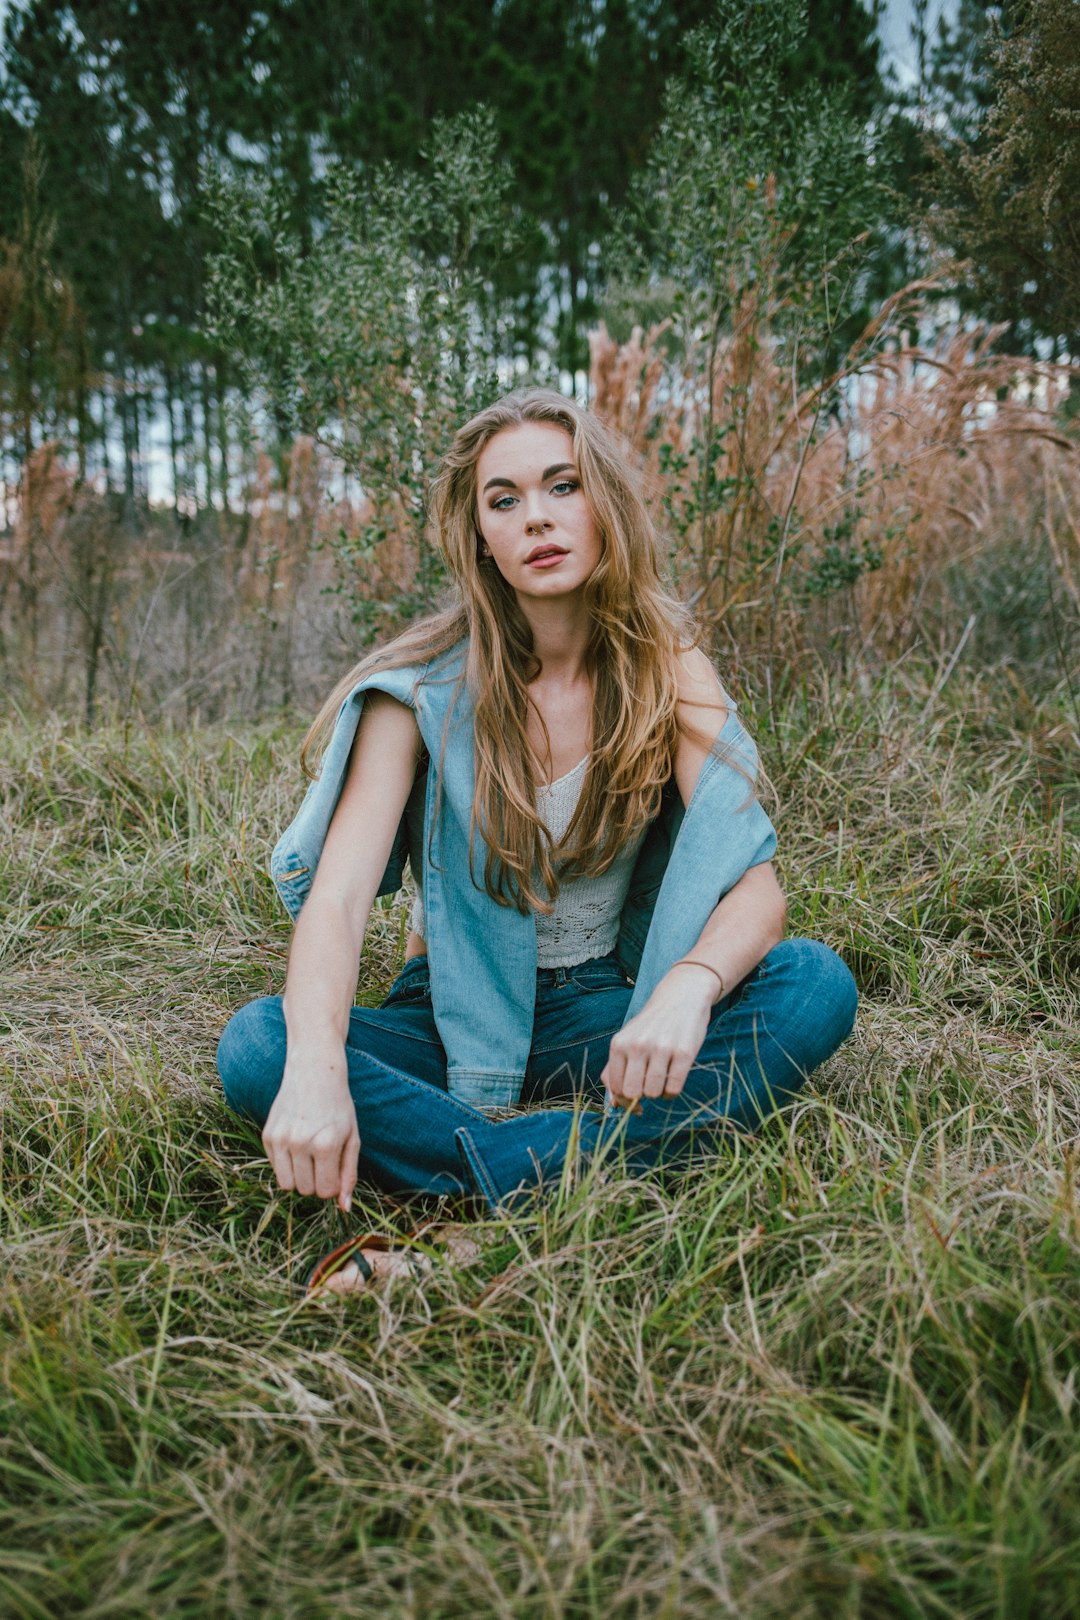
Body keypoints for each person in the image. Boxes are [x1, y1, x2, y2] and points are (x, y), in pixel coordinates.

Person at [216, 389, 858, 1296]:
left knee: (814, 985)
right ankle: (578, 1187)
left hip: (605, 1012)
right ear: (481, 536)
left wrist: (685, 987)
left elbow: (756, 886)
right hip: (444, 1013)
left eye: (562, 486)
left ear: (603, 505)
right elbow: (341, 897)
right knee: (260, 1047)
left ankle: (465, 1217)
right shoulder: (421, 692)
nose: (538, 518)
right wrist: (316, 1073)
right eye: (504, 500)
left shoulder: (667, 669)